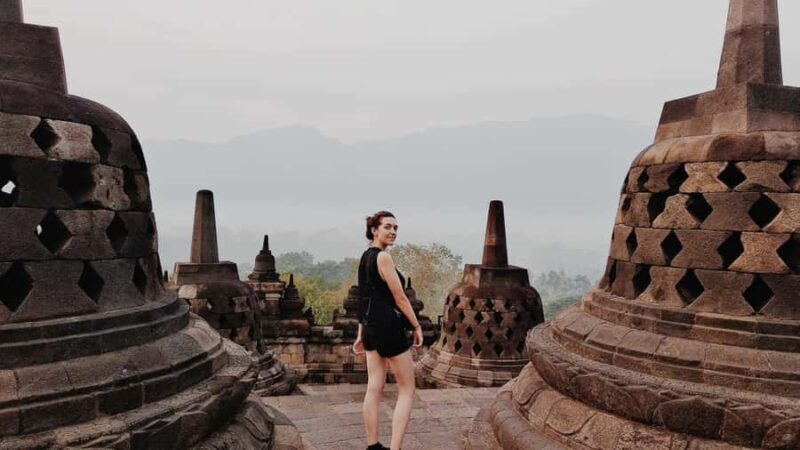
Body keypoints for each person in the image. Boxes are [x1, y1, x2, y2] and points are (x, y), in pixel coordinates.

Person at [353, 211, 423, 450]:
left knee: (374, 387)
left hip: (371, 328)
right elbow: (401, 298)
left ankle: (373, 446)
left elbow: (363, 299)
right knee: (406, 389)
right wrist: (416, 325)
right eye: (387, 227)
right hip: (389, 328)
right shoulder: (383, 258)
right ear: (374, 230)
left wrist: (361, 333)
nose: (392, 232)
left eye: (395, 228)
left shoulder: (365, 257)